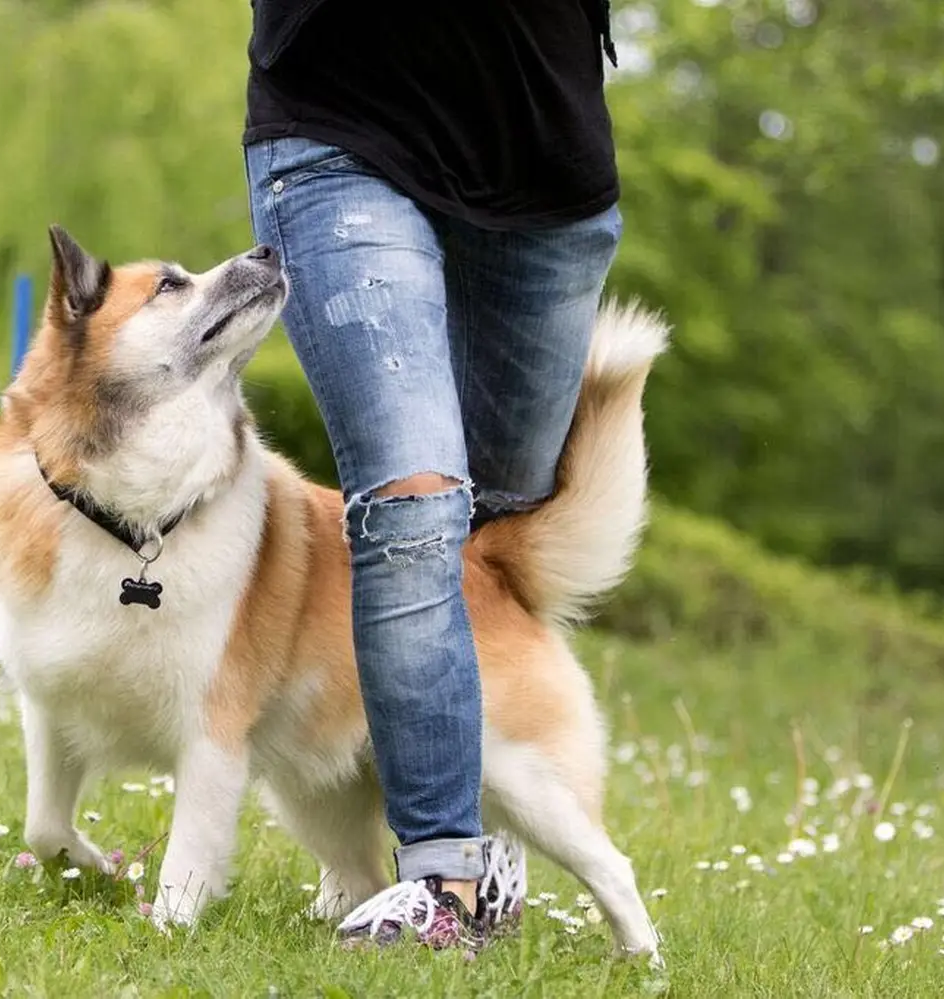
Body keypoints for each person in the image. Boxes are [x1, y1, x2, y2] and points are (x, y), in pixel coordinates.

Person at [241, 0, 624, 949]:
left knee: (494, 544)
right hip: (339, 129)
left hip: (543, 157)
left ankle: (491, 843)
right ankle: (441, 881)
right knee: (414, 511)